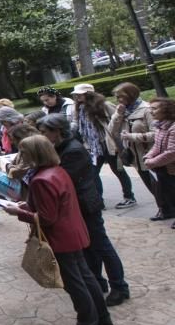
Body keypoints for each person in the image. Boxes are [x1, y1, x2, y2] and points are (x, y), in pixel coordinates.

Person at [3, 136, 113, 325]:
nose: (21, 156)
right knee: (86, 277)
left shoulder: (41, 180)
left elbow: (46, 218)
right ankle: (103, 318)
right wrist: (27, 206)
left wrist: (16, 212)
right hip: (74, 232)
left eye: (24, 152)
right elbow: (54, 205)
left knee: (74, 283)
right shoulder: (58, 171)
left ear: (35, 154)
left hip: (60, 238)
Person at [37, 114, 129, 307]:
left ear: (57, 131)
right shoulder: (62, 148)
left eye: (45, 132)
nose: (42, 135)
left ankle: (119, 287)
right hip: (77, 205)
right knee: (87, 247)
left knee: (101, 246)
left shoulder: (73, 151)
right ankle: (98, 283)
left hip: (86, 204)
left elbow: (63, 179)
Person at [71, 83, 137, 209]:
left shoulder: (104, 105)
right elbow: (77, 124)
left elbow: (119, 118)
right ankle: (98, 200)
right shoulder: (79, 107)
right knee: (93, 173)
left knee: (118, 171)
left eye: (80, 94)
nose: (77, 97)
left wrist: (119, 138)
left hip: (108, 144)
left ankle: (129, 197)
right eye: (76, 94)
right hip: (93, 146)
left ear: (88, 94)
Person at [109, 82, 163, 218]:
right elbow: (111, 131)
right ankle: (164, 208)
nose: (118, 100)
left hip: (152, 155)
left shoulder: (146, 110)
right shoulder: (121, 110)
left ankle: (166, 208)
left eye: (120, 97)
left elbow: (157, 133)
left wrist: (133, 137)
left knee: (161, 185)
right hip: (136, 157)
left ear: (130, 95)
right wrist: (118, 115)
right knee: (151, 186)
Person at [143, 97, 175, 228]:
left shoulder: (173, 127)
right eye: (150, 108)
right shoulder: (160, 125)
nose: (151, 111)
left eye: (154, 108)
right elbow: (157, 145)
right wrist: (148, 156)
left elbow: (172, 152)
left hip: (171, 166)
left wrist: (153, 162)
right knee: (168, 193)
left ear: (166, 110)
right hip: (165, 167)